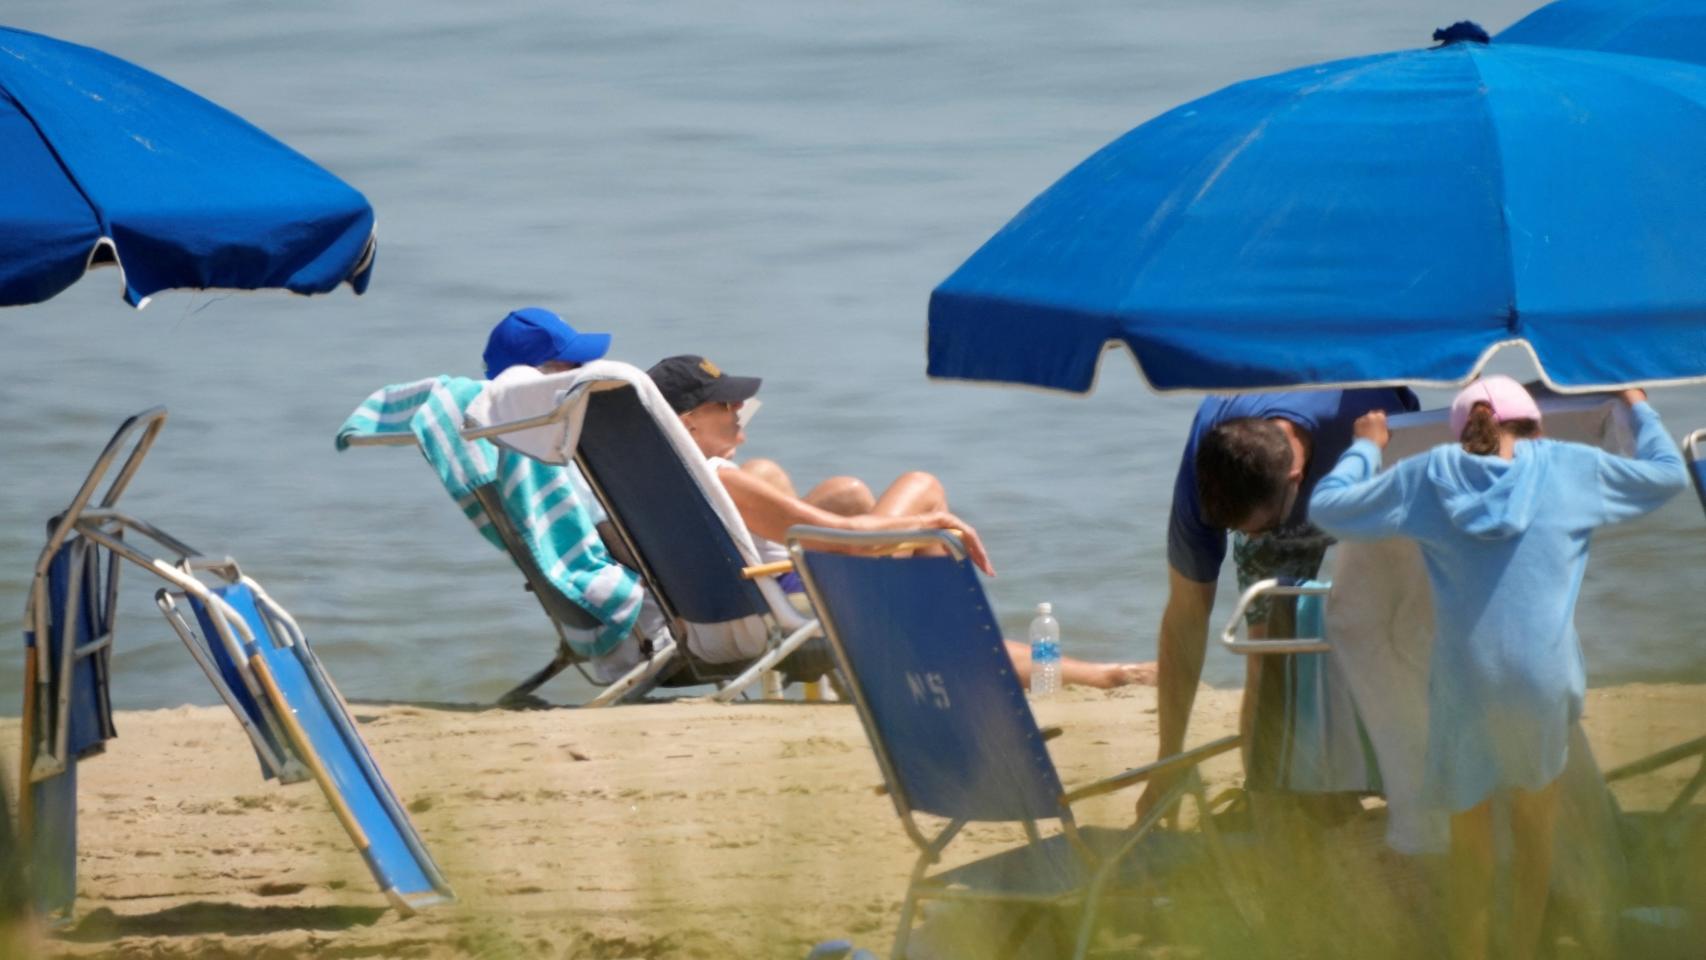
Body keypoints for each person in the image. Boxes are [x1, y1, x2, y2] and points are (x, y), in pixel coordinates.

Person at [1308, 377, 1687, 960]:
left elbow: (1327, 508)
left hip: (1466, 686)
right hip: (1542, 683)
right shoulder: (1570, 468)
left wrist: (1366, 445)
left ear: (1464, 436)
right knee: (1536, 839)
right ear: (1534, 425)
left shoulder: (1430, 475)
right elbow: (1667, 474)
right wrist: (1636, 408)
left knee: (1473, 852)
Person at [647, 354, 1156, 690]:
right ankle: (1098, 673)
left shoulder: (669, 475)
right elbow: (848, 544)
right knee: (922, 485)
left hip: (760, 594)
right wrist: (930, 519)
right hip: (799, 606)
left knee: (849, 493)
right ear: (687, 420)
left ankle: (1037, 658)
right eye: (724, 403)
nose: (740, 408)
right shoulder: (721, 477)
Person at [1140, 387, 1419, 812]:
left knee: (1393, 635)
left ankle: (1380, 773)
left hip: (1373, 473)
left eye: (1256, 527)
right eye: (1238, 530)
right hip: (1275, 491)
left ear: (1294, 477)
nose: (1248, 539)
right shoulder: (1211, 443)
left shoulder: (1373, 408)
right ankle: (1270, 793)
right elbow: (1186, 612)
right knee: (1269, 652)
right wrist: (1168, 759)